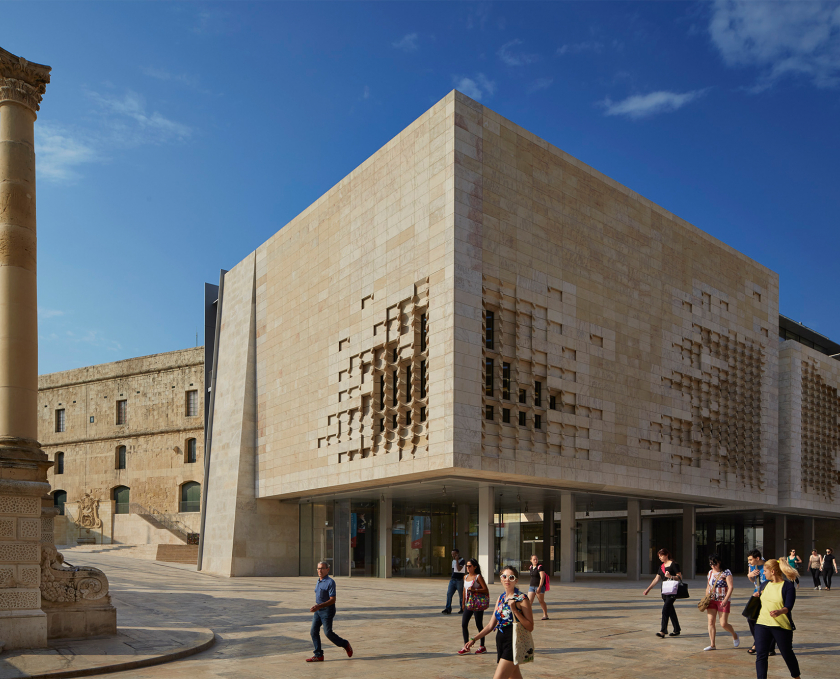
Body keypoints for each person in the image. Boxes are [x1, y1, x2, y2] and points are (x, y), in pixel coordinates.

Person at [463, 566, 535, 679]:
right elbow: (491, 625)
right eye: (504, 576)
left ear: (516, 580)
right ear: (501, 579)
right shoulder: (501, 598)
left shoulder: (522, 599)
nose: (507, 580)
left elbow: (530, 626)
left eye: (511, 577)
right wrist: (474, 639)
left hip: (514, 642)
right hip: (501, 642)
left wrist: (515, 610)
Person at [752, 558, 802, 679]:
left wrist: (780, 611)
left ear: (773, 571)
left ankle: (796, 676)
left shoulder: (788, 587)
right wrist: (756, 596)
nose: (763, 573)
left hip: (781, 626)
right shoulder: (764, 585)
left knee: (787, 653)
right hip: (762, 624)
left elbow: (788, 606)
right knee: (761, 655)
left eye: (765, 570)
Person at [306, 562, 353, 662]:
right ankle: (318, 655)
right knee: (313, 631)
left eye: (322, 568)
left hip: (327, 610)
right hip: (318, 610)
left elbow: (333, 600)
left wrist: (319, 606)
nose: (320, 570)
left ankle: (345, 644)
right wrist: (317, 607)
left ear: (328, 570)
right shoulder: (318, 581)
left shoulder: (330, 582)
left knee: (328, 633)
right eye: (318, 568)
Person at [643, 548, 682, 638]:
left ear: (667, 555)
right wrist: (648, 589)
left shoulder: (674, 564)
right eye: (659, 556)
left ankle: (663, 631)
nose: (660, 558)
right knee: (670, 610)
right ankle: (677, 629)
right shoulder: (661, 567)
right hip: (665, 591)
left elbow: (679, 577)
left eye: (661, 556)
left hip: (673, 591)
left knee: (665, 609)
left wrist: (670, 576)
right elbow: (656, 579)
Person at [704, 554, 739, 651]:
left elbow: (731, 587)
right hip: (712, 600)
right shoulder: (710, 572)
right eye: (711, 564)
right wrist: (706, 597)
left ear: (719, 562)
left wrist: (726, 599)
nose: (712, 566)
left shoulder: (726, 572)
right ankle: (712, 644)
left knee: (723, 623)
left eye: (714, 563)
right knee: (711, 622)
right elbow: (708, 587)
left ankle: (734, 635)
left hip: (723, 599)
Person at [746, 549, 775, 656]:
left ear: (757, 558)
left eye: (750, 560)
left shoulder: (768, 566)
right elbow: (753, 580)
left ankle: (770, 647)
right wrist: (750, 575)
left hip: (768, 596)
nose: (749, 562)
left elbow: (775, 580)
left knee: (769, 620)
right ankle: (758, 642)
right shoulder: (752, 566)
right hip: (756, 594)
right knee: (751, 618)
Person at [458, 559, 489, 655]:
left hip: (477, 604)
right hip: (469, 604)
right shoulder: (465, 577)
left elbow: (485, 589)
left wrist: (475, 589)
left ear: (475, 567)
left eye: (470, 566)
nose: (468, 568)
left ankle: (482, 646)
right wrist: (463, 602)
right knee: (464, 624)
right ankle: (466, 646)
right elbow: (464, 590)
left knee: (479, 624)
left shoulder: (478, 577)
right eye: (467, 566)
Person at [442, 548, 467, 614]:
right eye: (452, 554)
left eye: (454, 554)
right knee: (449, 594)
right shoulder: (453, 560)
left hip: (459, 580)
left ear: (457, 554)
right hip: (452, 580)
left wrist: (457, 560)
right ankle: (448, 608)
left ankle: (462, 608)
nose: (452, 555)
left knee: (461, 595)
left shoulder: (462, 560)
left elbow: (459, 569)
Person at [527, 554, 549, 621]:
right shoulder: (531, 567)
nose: (535, 560)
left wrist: (539, 587)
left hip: (539, 587)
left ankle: (545, 614)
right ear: (531, 560)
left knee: (541, 601)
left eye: (536, 559)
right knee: (529, 602)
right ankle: (527, 615)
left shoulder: (540, 567)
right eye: (534, 559)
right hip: (531, 586)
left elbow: (542, 578)